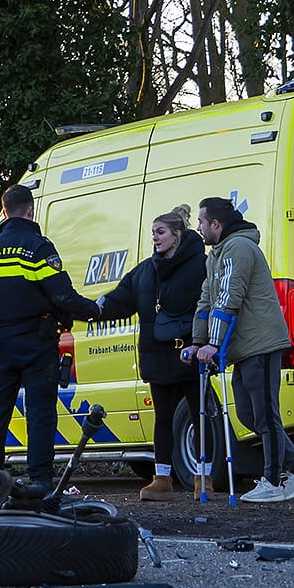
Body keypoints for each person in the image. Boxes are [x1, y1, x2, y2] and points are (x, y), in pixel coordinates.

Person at [0, 184, 97, 492]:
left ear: (4, 211)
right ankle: (40, 480)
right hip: (36, 342)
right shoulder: (38, 248)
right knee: (40, 412)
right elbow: (61, 295)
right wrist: (95, 309)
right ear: (31, 211)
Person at [189, 197, 294, 503]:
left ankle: (274, 481)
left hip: (259, 343)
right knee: (249, 415)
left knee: (265, 414)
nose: (198, 227)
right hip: (244, 349)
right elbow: (206, 301)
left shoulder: (239, 249)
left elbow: (229, 297)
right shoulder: (215, 256)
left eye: (201, 222)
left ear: (216, 224)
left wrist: (214, 343)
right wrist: (197, 342)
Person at [94, 206, 207, 501]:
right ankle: (162, 479)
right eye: (153, 233)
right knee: (163, 417)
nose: (155, 238)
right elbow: (118, 301)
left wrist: (206, 342)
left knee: (200, 415)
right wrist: (87, 310)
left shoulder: (201, 265)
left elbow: (209, 306)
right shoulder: (144, 271)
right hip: (157, 355)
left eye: (160, 232)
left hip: (189, 352)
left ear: (177, 235)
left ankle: (202, 478)